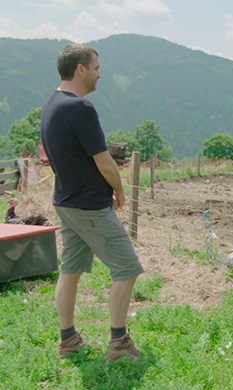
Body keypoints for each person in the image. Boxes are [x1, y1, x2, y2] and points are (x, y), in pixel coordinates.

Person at [41, 44, 144, 362]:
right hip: (89, 206)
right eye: (96, 67)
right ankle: (118, 343)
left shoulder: (52, 104)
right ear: (80, 69)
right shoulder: (80, 109)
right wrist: (120, 191)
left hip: (67, 201)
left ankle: (68, 339)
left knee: (70, 269)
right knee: (127, 267)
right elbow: (105, 162)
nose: (100, 73)